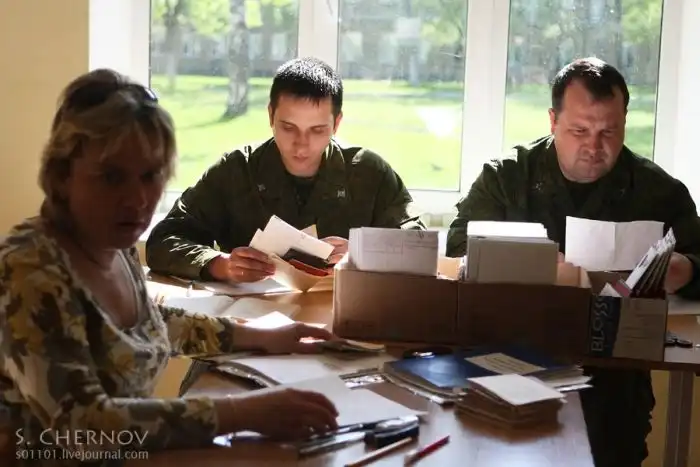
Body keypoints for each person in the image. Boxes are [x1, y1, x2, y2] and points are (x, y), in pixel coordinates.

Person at [0, 68, 340, 464]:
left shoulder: (111, 244)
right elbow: (82, 427)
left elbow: (151, 322)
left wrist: (261, 336)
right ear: (61, 175)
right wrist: (243, 412)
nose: (137, 199)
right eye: (111, 177)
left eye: (151, 175)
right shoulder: (29, 269)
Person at [445, 57, 700, 467]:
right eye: (579, 131)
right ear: (553, 121)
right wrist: (526, 259)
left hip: (613, 377)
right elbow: (458, 247)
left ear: (625, 121)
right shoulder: (507, 178)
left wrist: (686, 270)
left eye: (609, 132)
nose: (594, 148)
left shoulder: (656, 191)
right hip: (509, 361)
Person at [145, 56, 423, 284]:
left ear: (336, 124)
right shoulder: (237, 170)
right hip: (251, 321)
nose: (301, 144)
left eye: (317, 130)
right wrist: (220, 264)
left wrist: (363, 254)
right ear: (270, 115)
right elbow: (164, 240)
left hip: (343, 317)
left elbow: (419, 246)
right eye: (288, 127)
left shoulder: (368, 173)